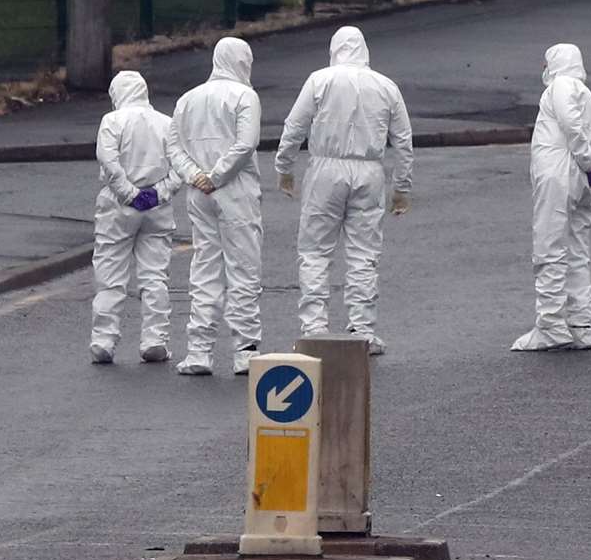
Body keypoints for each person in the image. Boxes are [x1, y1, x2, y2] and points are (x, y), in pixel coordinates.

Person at [275, 26, 413, 355]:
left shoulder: (319, 80)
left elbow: (295, 126)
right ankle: (362, 329)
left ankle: (314, 328)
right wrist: (401, 187)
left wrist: (285, 166)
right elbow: (403, 141)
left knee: (314, 251)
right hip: (369, 170)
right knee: (364, 254)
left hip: (325, 168)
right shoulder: (385, 86)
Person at [165, 37, 264, 376]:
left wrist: (196, 175)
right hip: (235, 190)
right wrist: (218, 175)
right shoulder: (245, 96)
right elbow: (246, 144)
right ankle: (245, 350)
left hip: (198, 193)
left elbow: (173, 146)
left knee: (205, 266)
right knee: (243, 269)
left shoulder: (187, 99)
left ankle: (199, 351)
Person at [512, 43, 591, 352]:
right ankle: (582, 324)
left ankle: (551, 324)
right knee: (576, 249)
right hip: (578, 179)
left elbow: (571, 124)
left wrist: (586, 162)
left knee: (549, 246)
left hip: (559, 174)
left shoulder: (562, 85)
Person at [90, 71, 182, 365]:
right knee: (155, 275)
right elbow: (180, 166)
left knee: (110, 274)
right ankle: (155, 339)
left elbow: (108, 160)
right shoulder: (167, 123)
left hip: (118, 206)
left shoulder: (112, 121)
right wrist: (158, 193)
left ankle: (104, 340)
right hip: (156, 207)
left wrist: (129, 194)